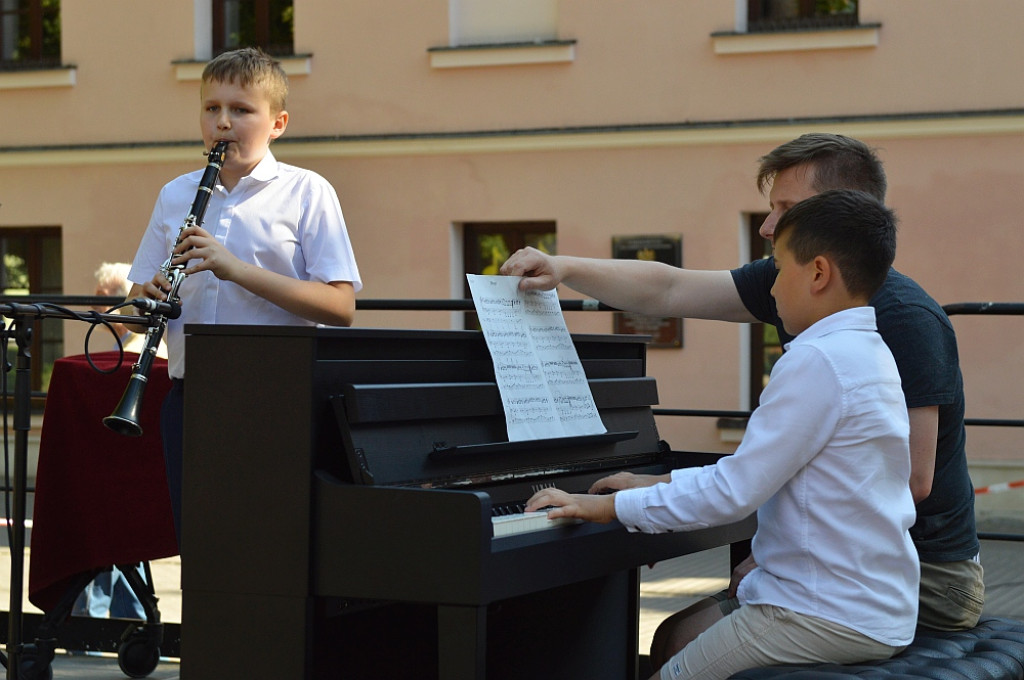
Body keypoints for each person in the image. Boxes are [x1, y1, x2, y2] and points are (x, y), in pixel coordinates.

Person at [500, 134, 983, 652]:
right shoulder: (799, 284)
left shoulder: (901, 320)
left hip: (924, 575)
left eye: (786, 209)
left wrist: (768, 550)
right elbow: (669, 289)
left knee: (678, 640)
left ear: (840, 219)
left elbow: (910, 480)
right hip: (853, 558)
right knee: (674, 634)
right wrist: (566, 269)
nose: (767, 226)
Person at [525, 189, 919, 680]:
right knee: (675, 635)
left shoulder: (816, 361)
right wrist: (651, 486)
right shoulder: (869, 350)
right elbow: (763, 476)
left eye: (778, 269)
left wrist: (606, 507)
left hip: (821, 612)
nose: (771, 289)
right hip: (875, 603)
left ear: (818, 273)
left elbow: (734, 492)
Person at [124, 47, 362, 547]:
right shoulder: (176, 194)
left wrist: (237, 270)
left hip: (279, 397)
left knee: (272, 549)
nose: (223, 123)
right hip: (191, 397)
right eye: (212, 109)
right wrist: (145, 299)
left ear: (278, 123)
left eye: (241, 110)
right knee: (202, 549)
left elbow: (340, 307)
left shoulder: (306, 191)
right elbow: (133, 307)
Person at [94, 262, 167, 357]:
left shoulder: (137, 350)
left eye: (101, 296)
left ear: (123, 300)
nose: (93, 305)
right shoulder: (133, 344)